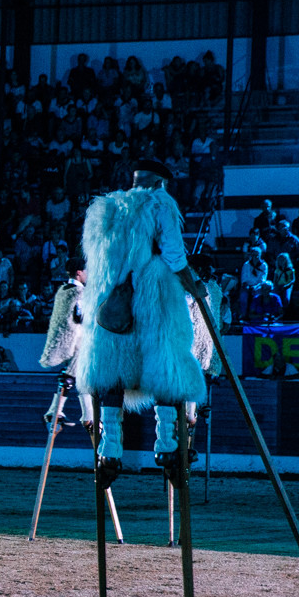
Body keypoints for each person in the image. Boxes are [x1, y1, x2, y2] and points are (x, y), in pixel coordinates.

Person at [78, 159, 206, 486]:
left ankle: (110, 452)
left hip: (112, 306)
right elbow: (175, 255)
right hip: (152, 301)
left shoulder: (106, 209)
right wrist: (194, 285)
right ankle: (167, 447)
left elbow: (96, 260)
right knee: (166, 368)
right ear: (160, 183)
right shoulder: (158, 203)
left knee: (113, 377)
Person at [39, 257, 94, 428]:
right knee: (73, 375)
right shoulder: (79, 292)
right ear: (79, 273)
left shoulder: (63, 290)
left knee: (81, 376)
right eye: (86, 272)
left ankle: (86, 414)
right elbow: (79, 316)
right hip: (77, 339)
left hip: (68, 338)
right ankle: (56, 412)